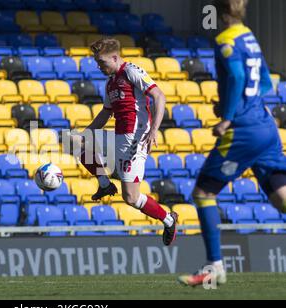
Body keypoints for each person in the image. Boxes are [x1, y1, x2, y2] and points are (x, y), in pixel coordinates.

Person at [178, 0, 286, 287]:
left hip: (244, 131)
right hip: (265, 125)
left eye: (209, 14)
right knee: (281, 198)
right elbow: (265, 83)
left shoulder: (225, 40)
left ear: (220, 14)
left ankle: (215, 267)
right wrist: (244, 105)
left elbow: (238, 76)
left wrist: (228, 116)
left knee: (203, 193)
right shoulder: (249, 36)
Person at [71, 38, 178, 245]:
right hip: (120, 136)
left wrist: (154, 130)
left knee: (130, 197)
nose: (98, 66)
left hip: (135, 139)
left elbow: (159, 96)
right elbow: (105, 114)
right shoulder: (110, 82)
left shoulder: (131, 71)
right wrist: (85, 133)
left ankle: (168, 219)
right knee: (75, 142)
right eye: (97, 62)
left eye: (101, 62)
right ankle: (105, 185)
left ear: (114, 57)